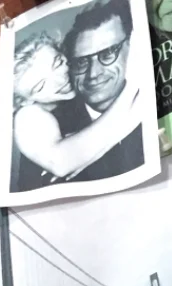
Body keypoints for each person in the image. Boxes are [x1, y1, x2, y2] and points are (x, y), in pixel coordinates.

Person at [11, 24, 140, 191]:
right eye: (41, 86)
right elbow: (61, 163)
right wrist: (134, 84)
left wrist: (94, 154)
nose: (60, 80)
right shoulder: (26, 115)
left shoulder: (79, 89)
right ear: (24, 100)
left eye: (58, 63)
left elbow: (137, 109)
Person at [63, 0, 145, 181]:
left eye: (108, 54)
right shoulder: (52, 128)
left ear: (133, 48)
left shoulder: (159, 98)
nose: (93, 74)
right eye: (81, 62)